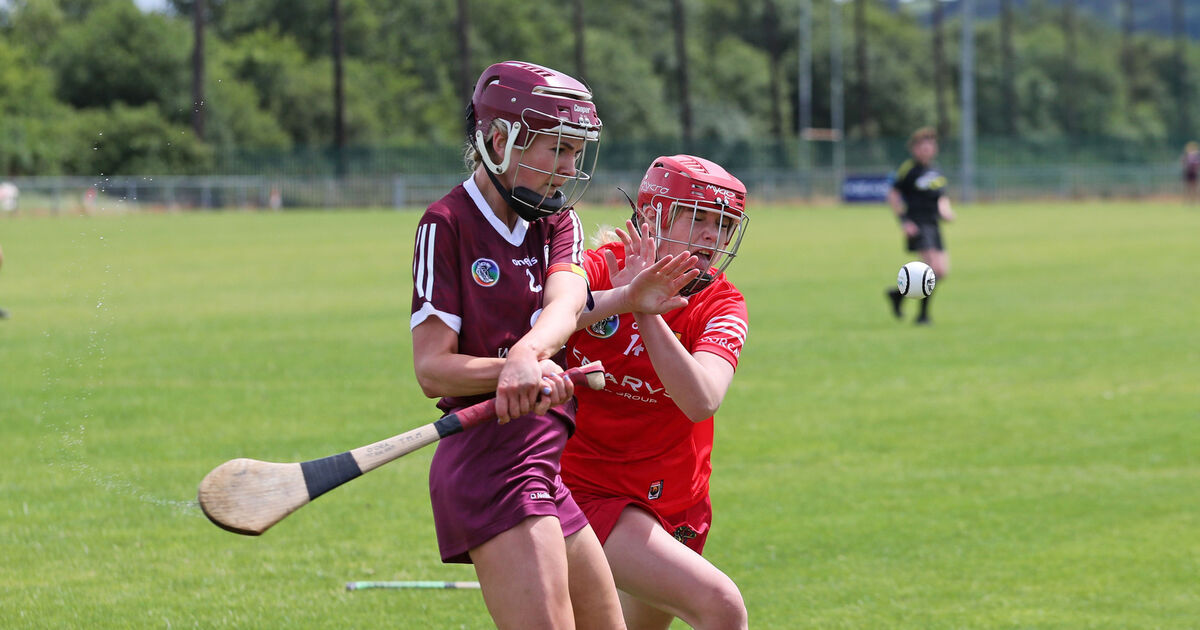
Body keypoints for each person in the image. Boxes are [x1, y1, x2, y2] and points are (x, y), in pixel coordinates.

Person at [410, 60, 695, 630]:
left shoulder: (557, 220)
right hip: (491, 464)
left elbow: (564, 305)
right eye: (556, 150)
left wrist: (528, 354)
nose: (567, 169)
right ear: (499, 139)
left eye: (574, 152)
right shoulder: (446, 225)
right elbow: (433, 370)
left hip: (542, 460)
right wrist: (510, 370)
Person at [562, 155, 751, 630]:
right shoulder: (597, 271)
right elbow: (534, 324)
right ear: (652, 217)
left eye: (723, 223)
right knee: (721, 606)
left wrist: (647, 314)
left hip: (678, 501)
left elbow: (702, 398)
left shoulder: (723, 303)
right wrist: (625, 298)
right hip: (588, 489)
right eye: (699, 218)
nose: (713, 236)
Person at [886, 126, 955, 325]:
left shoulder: (936, 171)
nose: (927, 149)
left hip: (934, 225)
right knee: (930, 268)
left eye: (930, 146)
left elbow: (941, 196)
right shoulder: (909, 169)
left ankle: (898, 294)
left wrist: (946, 210)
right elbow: (894, 195)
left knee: (941, 272)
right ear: (914, 149)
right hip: (918, 224)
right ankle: (923, 316)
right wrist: (904, 222)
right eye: (923, 146)